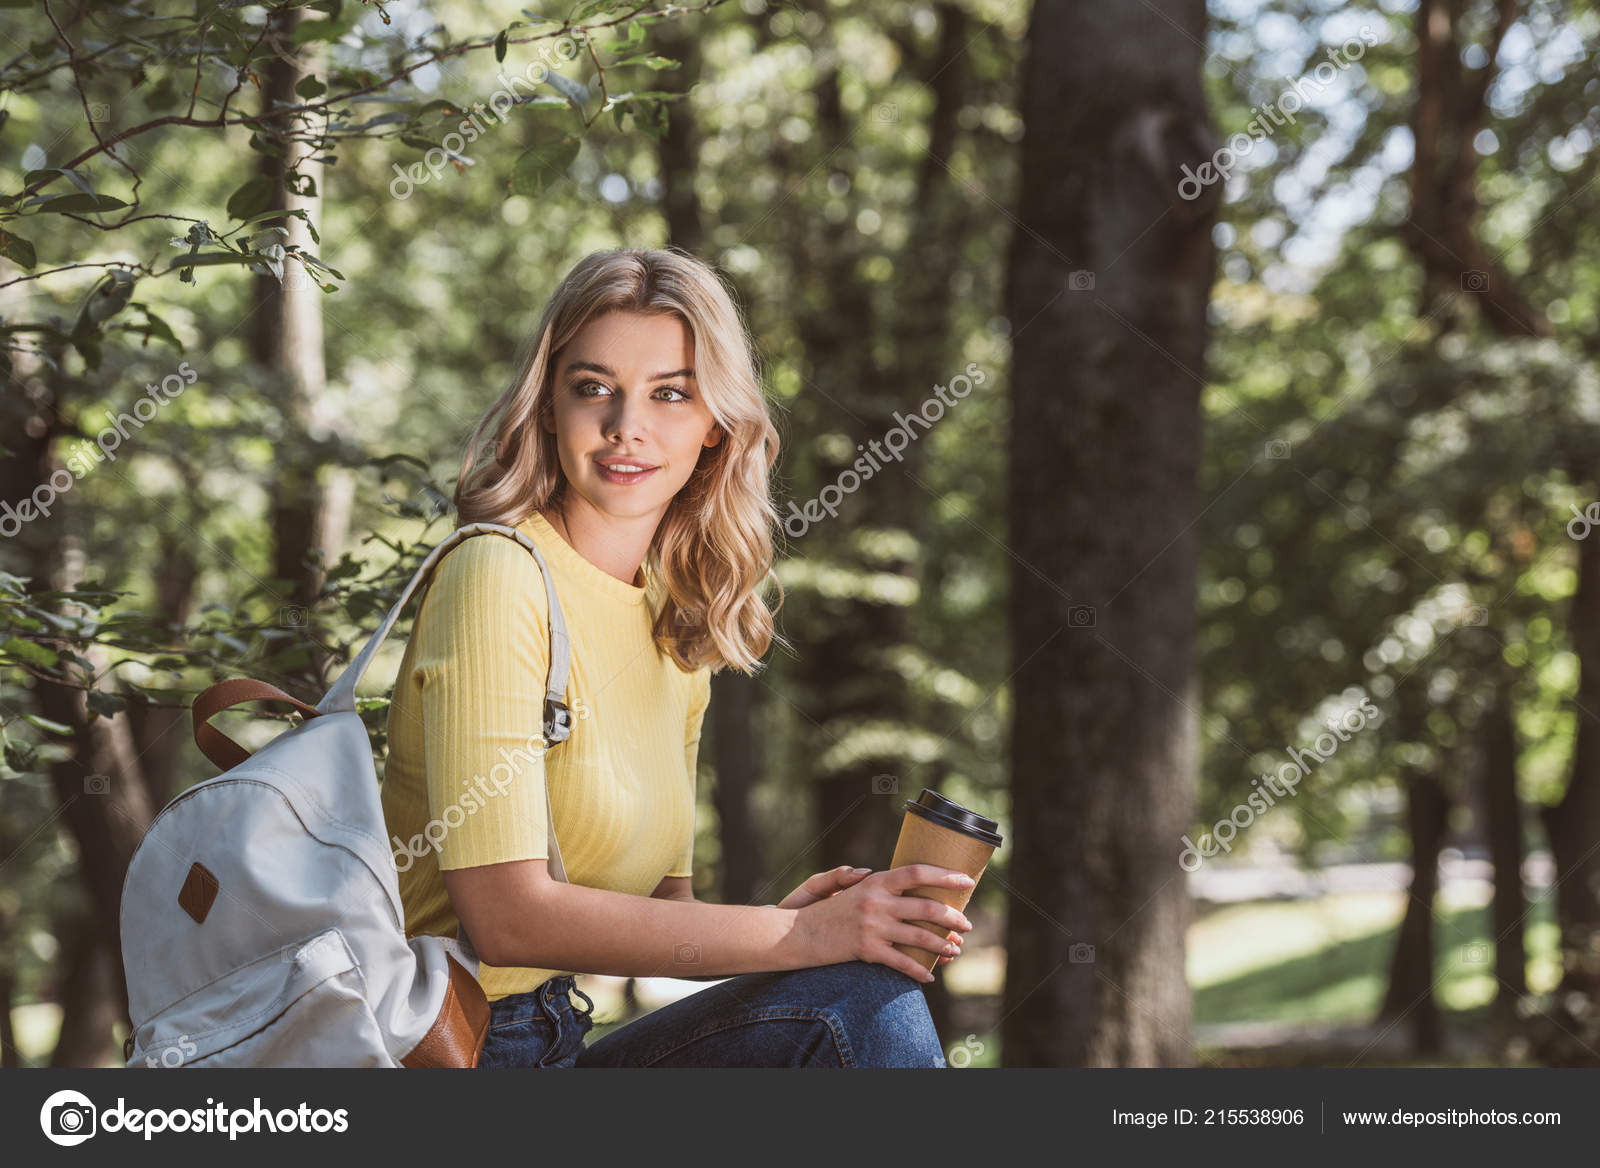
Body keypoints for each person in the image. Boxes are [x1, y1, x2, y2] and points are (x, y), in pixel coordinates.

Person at [380, 246, 973, 1068]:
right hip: (457, 1052)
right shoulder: (497, 574)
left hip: (560, 1039)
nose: (628, 426)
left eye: (671, 394)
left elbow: (666, 913)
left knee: (859, 997)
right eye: (593, 388)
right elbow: (507, 920)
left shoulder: (675, 618)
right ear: (547, 405)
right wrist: (799, 936)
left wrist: (804, 928)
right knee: (859, 1010)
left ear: (716, 425)